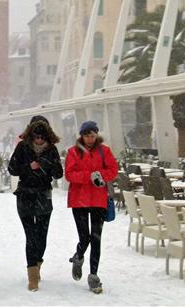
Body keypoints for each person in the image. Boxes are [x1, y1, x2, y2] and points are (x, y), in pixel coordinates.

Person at [8, 115, 63, 291]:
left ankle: (37, 262)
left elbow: (59, 174)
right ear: (31, 133)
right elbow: (12, 168)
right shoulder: (23, 147)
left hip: (44, 196)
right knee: (31, 237)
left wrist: (46, 164)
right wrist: (28, 167)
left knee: (42, 237)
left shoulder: (52, 150)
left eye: (42, 137)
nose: (39, 140)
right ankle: (32, 276)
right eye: (36, 136)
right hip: (25, 195)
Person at [65, 121, 118, 294]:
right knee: (85, 237)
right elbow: (69, 174)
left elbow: (113, 170)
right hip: (79, 200)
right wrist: (89, 176)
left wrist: (101, 175)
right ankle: (79, 257)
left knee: (96, 239)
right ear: (82, 135)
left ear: (96, 135)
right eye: (87, 135)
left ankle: (94, 275)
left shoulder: (105, 151)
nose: (90, 138)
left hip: (98, 200)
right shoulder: (73, 152)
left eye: (92, 135)